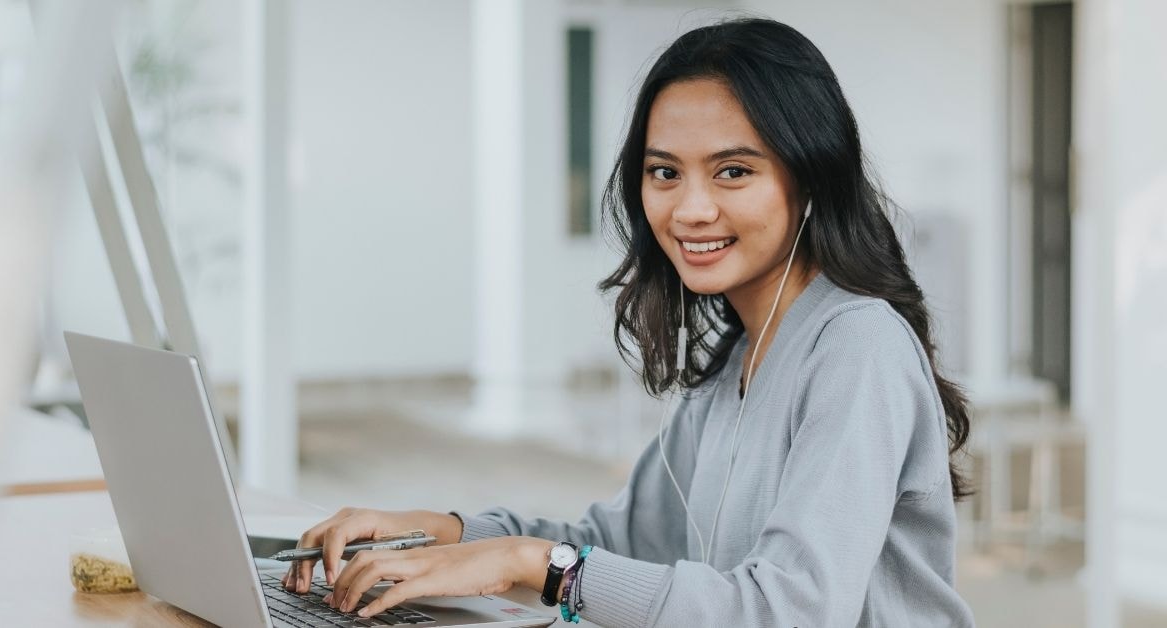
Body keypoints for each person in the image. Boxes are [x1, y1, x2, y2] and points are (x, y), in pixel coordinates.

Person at [284, 17, 976, 627]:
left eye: (733, 171)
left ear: (811, 181)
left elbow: (788, 612)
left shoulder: (859, 346)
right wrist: (440, 532)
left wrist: (534, 564)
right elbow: (615, 543)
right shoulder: (739, 360)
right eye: (665, 172)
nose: (690, 209)